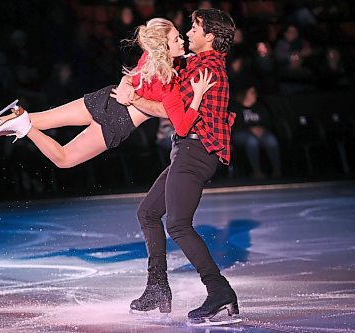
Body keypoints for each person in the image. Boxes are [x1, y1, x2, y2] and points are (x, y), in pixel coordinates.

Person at [0, 18, 214, 170]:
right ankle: (24, 127)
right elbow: (169, 113)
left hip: (105, 98)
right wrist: (135, 98)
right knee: (63, 159)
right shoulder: (168, 80)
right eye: (177, 39)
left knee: (38, 118)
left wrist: (129, 89)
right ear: (164, 47)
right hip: (118, 121)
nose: (183, 41)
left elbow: (130, 79)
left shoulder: (150, 59)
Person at [113, 8, 239, 323]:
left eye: (195, 28)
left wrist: (132, 99)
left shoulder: (205, 70)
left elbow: (171, 109)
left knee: (179, 225)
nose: (189, 32)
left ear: (210, 36)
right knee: (148, 213)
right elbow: (155, 64)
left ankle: (219, 291)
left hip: (196, 149)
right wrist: (129, 81)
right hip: (188, 149)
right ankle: (157, 286)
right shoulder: (194, 63)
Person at [230, 84, 281, 179]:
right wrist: (250, 129)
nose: (255, 95)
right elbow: (234, 125)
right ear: (244, 94)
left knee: (271, 140)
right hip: (242, 133)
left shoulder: (259, 107)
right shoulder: (236, 108)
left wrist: (262, 128)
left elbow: (268, 122)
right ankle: (257, 171)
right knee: (252, 141)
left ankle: (277, 170)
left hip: (261, 132)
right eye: (252, 93)